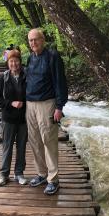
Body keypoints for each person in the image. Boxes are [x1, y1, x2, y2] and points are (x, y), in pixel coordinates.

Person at [26, 28, 68, 195]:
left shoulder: (53, 56)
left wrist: (59, 107)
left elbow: (60, 82)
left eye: (36, 39)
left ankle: (53, 179)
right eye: (30, 40)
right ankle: (42, 174)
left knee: (48, 141)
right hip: (30, 104)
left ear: (43, 40)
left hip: (47, 103)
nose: (33, 43)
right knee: (35, 141)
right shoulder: (30, 58)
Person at [0, 49, 28, 186]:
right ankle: (4, 174)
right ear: (8, 63)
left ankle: (19, 173)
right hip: (8, 119)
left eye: (16, 61)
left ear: (20, 62)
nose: (14, 63)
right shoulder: (4, 77)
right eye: (11, 61)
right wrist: (11, 103)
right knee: (7, 146)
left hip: (24, 118)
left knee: (21, 147)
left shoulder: (26, 76)